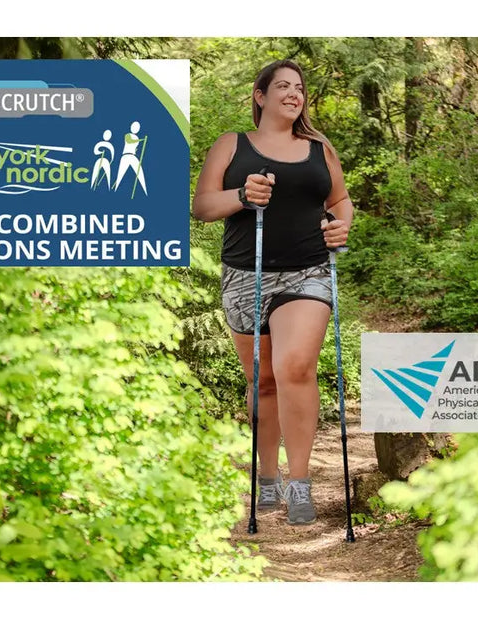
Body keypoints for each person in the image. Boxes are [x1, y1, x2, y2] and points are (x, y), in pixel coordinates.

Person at [192, 59, 353, 525]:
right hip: (245, 274)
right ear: (260, 96)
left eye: (299, 87)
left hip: (308, 272)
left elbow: (339, 200)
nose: (293, 93)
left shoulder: (320, 147)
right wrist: (243, 195)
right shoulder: (231, 145)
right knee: (262, 380)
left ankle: (300, 483)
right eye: (282, 86)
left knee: (294, 366)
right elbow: (202, 206)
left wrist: (341, 227)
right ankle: (267, 478)